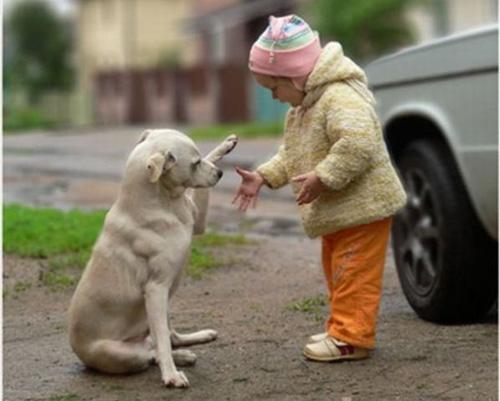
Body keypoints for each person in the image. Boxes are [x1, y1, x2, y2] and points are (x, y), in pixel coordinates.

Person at [233, 14, 407, 362]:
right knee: (339, 271)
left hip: (363, 207)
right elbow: (293, 154)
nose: (275, 97)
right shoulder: (303, 107)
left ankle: (351, 338)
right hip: (341, 211)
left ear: (295, 76)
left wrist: (324, 176)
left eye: (274, 88)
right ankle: (342, 326)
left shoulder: (338, 97)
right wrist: (264, 176)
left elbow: (359, 141)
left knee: (353, 272)